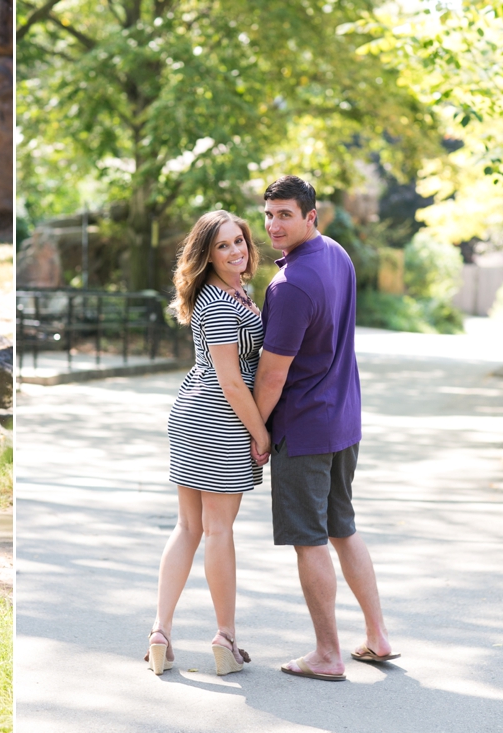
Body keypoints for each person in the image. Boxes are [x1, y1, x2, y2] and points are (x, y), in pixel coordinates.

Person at [252, 175, 399, 682]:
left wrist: (257, 432)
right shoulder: (336, 254)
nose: (273, 224)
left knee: (309, 539)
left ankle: (328, 654)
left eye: (285, 214)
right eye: (269, 214)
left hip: (305, 429)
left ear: (311, 216)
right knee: (343, 527)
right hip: (343, 423)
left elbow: (272, 374)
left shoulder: (290, 286)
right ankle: (377, 637)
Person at [146, 210, 270, 676]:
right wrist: (261, 434)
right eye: (223, 245)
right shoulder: (219, 301)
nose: (235, 250)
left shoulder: (239, 292)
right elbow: (232, 382)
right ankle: (225, 636)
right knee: (213, 530)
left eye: (239, 241)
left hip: (197, 414)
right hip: (218, 419)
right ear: (206, 254)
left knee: (190, 528)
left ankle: (161, 632)